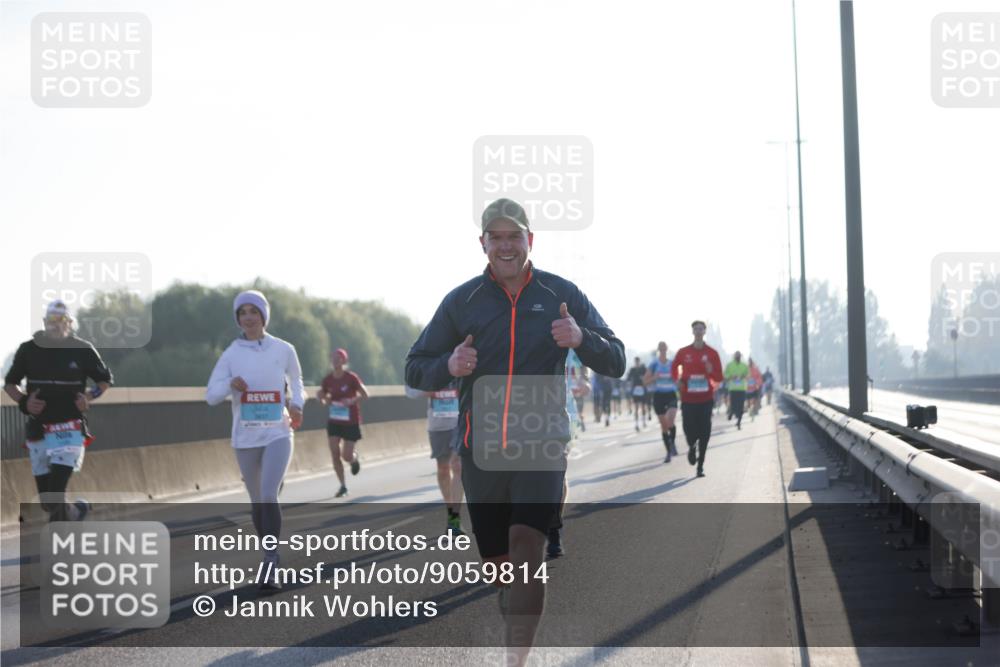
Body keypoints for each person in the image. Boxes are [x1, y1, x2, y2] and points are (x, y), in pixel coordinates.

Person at [405, 198, 625, 665]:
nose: (505, 246)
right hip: (482, 451)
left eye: (514, 236)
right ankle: (512, 603)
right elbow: (414, 368)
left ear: (531, 240)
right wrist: (448, 363)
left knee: (529, 547)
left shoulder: (561, 292)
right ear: (482, 243)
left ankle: (515, 662)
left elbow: (617, 359)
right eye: (496, 237)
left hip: (542, 443)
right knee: (500, 565)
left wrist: (582, 340)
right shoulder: (461, 302)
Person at [206, 290, 304, 590]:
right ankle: (268, 551)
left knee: (268, 493)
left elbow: (297, 381)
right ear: (238, 318)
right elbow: (211, 396)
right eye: (242, 312)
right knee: (257, 500)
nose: (248, 317)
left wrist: (297, 403)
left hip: (278, 431)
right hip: (245, 436)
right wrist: (228, 384)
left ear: (263, 316)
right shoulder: (232, 353)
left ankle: (270, 561)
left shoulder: (284, 349)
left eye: (254, 311)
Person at [4, 300, 113, 522]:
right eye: (52, 320)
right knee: (47, 502)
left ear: (70, 323)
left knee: (54, 497)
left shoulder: (82, 349)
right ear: (45, 323)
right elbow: (10, 383)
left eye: (61, 320)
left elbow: (104, 380)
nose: (56, 325)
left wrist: (89, 397)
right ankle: (76, 512)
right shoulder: (28, 349)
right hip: (39, 428)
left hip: (69, 428)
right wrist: (25, 402)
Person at [405, 380, 463, 534]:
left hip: (459, 422)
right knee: (443, 469)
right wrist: (428, 391)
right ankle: (450, 512)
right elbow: (410, 389)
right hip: (437, 425)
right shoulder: (430, 359)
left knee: (456, 465)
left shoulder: (462, 357)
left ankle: (455, 520)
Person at [671, 321, 723, 478]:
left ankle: (700, 466)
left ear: (704, 331)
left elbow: (719, 377)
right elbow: (674, 368)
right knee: (688, 428)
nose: (698, 331)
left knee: (705, 432)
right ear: (692, 332)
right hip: (688, 398)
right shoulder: (683, 352)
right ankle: (692, 446)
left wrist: (711, 370)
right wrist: (677, 380)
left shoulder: (712, 353)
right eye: (696, 329)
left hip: (706, 398)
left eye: (701, 329)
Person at [317, 348, 369, 498]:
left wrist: (351, 400)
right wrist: (321, 398)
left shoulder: (351, 377)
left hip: (351, 420)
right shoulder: (328, 379)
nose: (335, 360)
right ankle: (343, 485)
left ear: (344, 361)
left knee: (346, 455)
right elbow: (323, 395)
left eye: (338, 358)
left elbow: (365, 394)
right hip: (335, 421)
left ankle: (353, 459)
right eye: (333, 358)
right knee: (334, 453)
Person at [643, 342, 678, 462]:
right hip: (659, 395)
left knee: (670, 421)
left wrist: (676, 379)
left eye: (664, 348)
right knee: (664, 426)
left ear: (667, 349)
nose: (663, 350)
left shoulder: (672, 363)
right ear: (658, 349)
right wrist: (654, 378)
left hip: (671, 394)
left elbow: (679, 378)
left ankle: (672, 443)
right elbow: (645, 381)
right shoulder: (654, 364)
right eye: (661, 348)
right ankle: (668, 452)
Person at [724, 351, 750, 430]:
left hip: (742, 389)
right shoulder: (729, 365)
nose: (738, 357)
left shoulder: (744, 365)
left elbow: (748, 375)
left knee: (741, 406)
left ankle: (739, 422)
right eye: (736, 356)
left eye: (739, 356)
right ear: (734, 356)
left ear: (740, 357)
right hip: (733, 389)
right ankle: (731, 412)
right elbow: (725, 374)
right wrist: (731, 377)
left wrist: (743, 376)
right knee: (733, 404)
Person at [626, 357, 648, 432]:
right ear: (634, 362)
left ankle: (644, 421)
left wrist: (644, 378)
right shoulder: (632, 370)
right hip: (635, 390)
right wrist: (629, 382)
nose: (637, 363)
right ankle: (636, 424)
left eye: (638, 362)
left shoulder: (643, 369)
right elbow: (628, 378)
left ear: (639, 362)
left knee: (643, 407)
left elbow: (648, 376)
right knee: (636, 407)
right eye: (636, 362)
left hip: (642, 389)